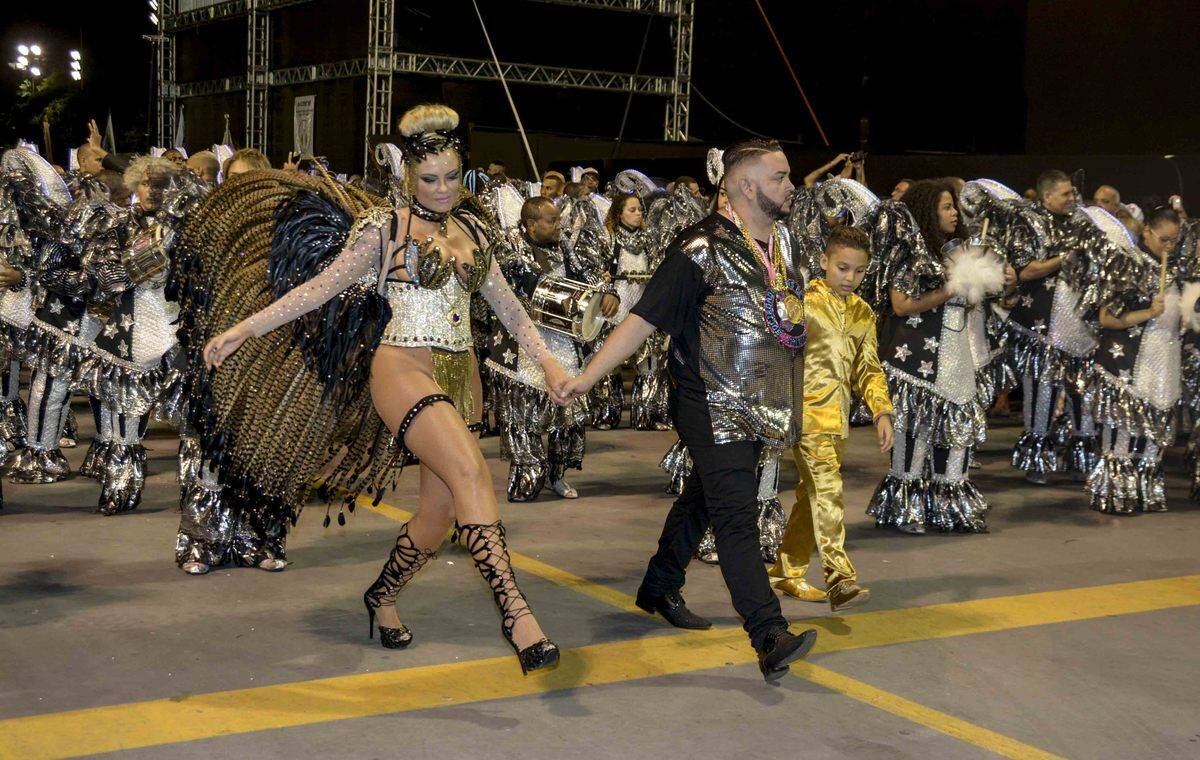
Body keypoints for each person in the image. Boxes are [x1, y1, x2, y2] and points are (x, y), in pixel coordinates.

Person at [203, 104, 564, 674]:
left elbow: (509, 310)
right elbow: (316, 291)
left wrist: (549, 363)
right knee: (472, 472)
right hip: (401, 366)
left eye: (451, 177)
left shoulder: (472, 228)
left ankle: (382, 596)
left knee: (439, 514)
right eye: (429, 179)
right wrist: (243, 329)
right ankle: (517, 614)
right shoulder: (383, 229)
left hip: (461, 373)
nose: (442, 190)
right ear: (406, 177)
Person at [558, 138, 817, 682]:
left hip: (761, 401)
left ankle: (659, 582)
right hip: (709, 400)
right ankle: (768, 632)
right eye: (780, 177)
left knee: (709, 491)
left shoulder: (785, 241)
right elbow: (643, 319)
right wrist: (586, 377)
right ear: (746, 185)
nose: (792, 185)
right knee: (735, 513)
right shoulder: (699, 247)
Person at [770, 226, 892, 608]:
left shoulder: (863, 312)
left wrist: (881, 410)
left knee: (811, 497)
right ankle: (839, 576)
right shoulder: (802, 304)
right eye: (842, 268)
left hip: (838, 421)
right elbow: (777, 356)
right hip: (805, 418)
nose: (850, 278)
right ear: (823, 262)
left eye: (858, 271)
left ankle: (788, 572)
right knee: (828, 491)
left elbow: (868, 368)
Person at [866, 179, 996, 534]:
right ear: (928, 211)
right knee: (915, 434)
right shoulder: (913, 252)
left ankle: (950, 507)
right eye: (946, 207)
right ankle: (907, 508)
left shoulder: (960, 250)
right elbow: (900, 304)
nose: (955, 213)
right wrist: (949, 289)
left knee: (955, 434)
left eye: (954, 206)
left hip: (957, 358)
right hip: (916, 360)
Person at [486, 196, 615, 501]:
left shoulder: (566, 248)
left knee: (568, 418)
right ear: (531, 224)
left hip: (565, 346)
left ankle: (557, 475)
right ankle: (528, 476)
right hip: (523, 347)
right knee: (522, 417)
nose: (560, 226)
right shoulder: (509, 250)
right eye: (552, 221)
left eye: (559, 220)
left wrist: (608, 295)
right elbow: (522, 286)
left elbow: (589, 277)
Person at [1005, 170, 1104, 484]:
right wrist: (1065, 257)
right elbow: (1025, 271)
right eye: (1065, 194)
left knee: (1082, 393)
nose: (1072, 198)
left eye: (1073, 193)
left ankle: (1082, 458)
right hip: (1042, 326)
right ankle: (1037, 460)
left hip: (1080, 323)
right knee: (1042, 391)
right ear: (1047, 196)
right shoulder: (1027, 223)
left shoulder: (1082, 222)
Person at [1088, 206, 1184, 513]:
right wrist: (1148, 313)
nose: (1169, 247)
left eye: (1174, 241)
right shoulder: (1128, 266)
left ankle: (1145, 490)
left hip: (1163, 359)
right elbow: (1105, 318)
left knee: (1154, 429)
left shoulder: (1176, 269)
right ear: (1147, 232)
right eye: (1164, 240)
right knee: (1124, 429)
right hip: (1127, 361)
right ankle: (1117, 492)